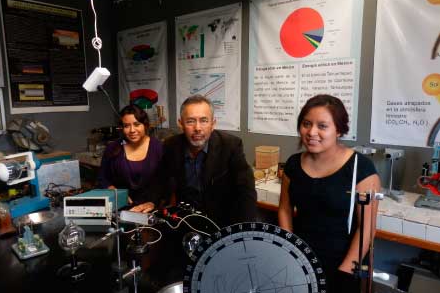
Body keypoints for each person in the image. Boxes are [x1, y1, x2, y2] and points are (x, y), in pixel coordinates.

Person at [278, 94, 381, 293]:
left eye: (322, 126)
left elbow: (367, 228)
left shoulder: (361, 168)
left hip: (342, 263)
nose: (311, 132)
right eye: (306, 124)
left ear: (339, 130)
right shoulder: (292, 164)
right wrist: (289, 249)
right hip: (301, 258)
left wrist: (346, 271)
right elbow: (285, 209)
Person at [155, 94, 257, 227]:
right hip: (186, 221)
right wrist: (151, 201)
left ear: (213, 124)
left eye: (204, 120)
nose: (197, 128)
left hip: (221, 223)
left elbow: (246, 192)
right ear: (181, 124)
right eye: (190, 121)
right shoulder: (171, 145)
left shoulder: (230, 145)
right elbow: (160, 180)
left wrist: (244, 231)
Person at [98, 104, 163, 213]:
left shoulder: (158, 148)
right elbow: (102, 177)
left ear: (145, 125)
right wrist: (112, 189)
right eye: (127, 126)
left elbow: (166, 182)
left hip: (150, 209)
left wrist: (153, 202)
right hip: (120, 209)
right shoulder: (113, 148)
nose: (132, 130)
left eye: (137, 124)